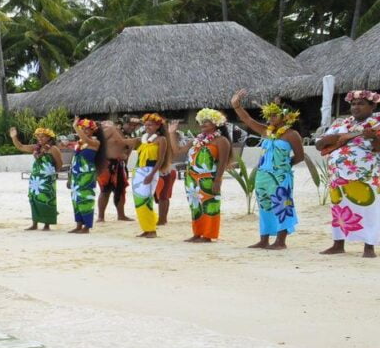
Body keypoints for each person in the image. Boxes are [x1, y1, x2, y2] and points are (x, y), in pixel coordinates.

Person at [231, 90, 304, 249]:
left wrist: (283, 167)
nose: (270, 118)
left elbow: (300, 156)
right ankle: (264, 239)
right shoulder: (266, 131)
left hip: (280, 176)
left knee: (282, 205)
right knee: (264, 205)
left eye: (274, 115)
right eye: (269, 115)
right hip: (262, 175)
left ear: (286, 116)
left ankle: (280, 241)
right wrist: (236, 105)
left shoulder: (292, 135)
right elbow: (247, 119)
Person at [316, 89, 380, 258]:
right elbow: (319, 144)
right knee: (340, 209)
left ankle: (369, 247)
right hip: (338, 177)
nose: (356, 107)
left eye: (361, 104)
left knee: (369, 208)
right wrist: (338, 137)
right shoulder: (340, 123)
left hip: (366, 176)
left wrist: (373, 138)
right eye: (353, 104)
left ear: (372, 106)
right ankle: (338, 244)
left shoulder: (377, 122)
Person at [181, 109, 231, 243]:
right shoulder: (196, 140)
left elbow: (223, 162)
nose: (203, 124)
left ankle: (208, 235)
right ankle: (197, 233)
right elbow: (177, 151)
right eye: (202, 121)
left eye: (207, 121)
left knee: (210, 205)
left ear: (215, 123)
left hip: (209, 178)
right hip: (191, 178)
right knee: (195, 206)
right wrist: (170, 133)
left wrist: (218, 179)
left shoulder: (221, 140)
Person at [116, 112, 169, 238]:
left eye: (150, 125)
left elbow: (161, 159)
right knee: (139, 201)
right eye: (145, 125)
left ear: (157, 126)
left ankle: (152, 230)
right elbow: (123, 142)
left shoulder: (161, 140)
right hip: (138, 172)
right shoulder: (141, 139)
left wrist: (152, 174)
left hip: (150, 171)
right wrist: (115, 130)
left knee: (146, 199)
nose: (147, 127)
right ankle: (146, 228)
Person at [9, 125, 62, 230]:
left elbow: (59, 163)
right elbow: (20, 146)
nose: (40, 139)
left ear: (49, 138)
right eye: (38, 137)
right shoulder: (36, 148)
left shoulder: (53, 149)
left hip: (47, 179)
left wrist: (50, 173)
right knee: (34, 198)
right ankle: (35, 223)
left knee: (47, 199)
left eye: (42, 137)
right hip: (35, 179)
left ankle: (47, 224)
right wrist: (14, 137)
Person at [69, 118, 101, 233]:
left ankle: (87, 226)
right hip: (76, 175)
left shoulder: (95, 142)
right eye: (83, 129)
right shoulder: (79, 144)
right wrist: (69, 178)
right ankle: (78, 224)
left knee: (86, 199)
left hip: (87, 175)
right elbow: (73, 161)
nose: (85, 131)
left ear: (93, 130)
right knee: (76, 199)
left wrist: (75, 127)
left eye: (87, 129)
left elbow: (85, 138)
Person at [96, 119, 132, 222]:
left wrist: (126, 155)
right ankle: (101, 216)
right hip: (106, 164)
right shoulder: (104, 133)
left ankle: (121, 215)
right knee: (105, 190)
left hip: (119, 163)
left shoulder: (122, 134)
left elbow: (126, 150)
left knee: (120, 189)